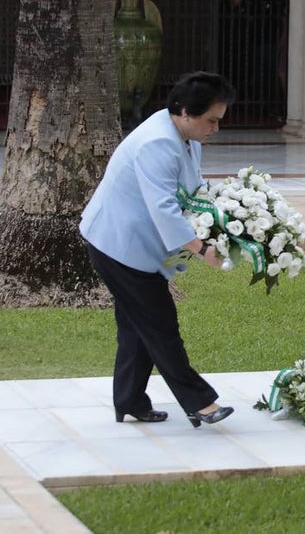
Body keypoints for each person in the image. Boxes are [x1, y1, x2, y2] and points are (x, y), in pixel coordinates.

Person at [80, 72, 237, 429]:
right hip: (117, 245)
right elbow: (164, 209)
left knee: (138, 327)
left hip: (131, 245)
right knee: (160, 325)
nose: (215, 128)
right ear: (184, 111)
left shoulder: (185, 137)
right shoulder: (157, 143)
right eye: (211, 120)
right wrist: (202, 250)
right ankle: (201, 403)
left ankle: (130, 401)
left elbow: (192, 192)